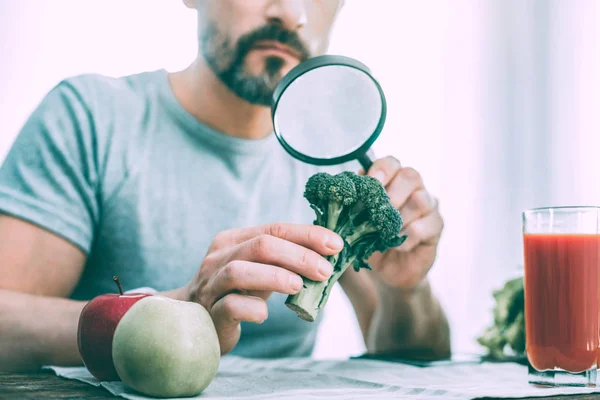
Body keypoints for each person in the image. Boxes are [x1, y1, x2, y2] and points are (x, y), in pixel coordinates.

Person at [0, 0, 450, 372]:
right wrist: (178, 310)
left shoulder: (339, 163)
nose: (290, 12)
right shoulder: (91, 117)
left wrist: (407, 289)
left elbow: (413, 359)